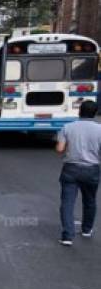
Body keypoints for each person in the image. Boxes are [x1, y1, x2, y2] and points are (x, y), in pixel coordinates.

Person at [56, 100, 101, 246]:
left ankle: (67, 236)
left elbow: (59, 149)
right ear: (95, 113)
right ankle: (87, 230)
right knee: (90, 200)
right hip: (92, 169)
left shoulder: (67, 127)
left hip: (70, 169)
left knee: (67, 203)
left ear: (79, 111)